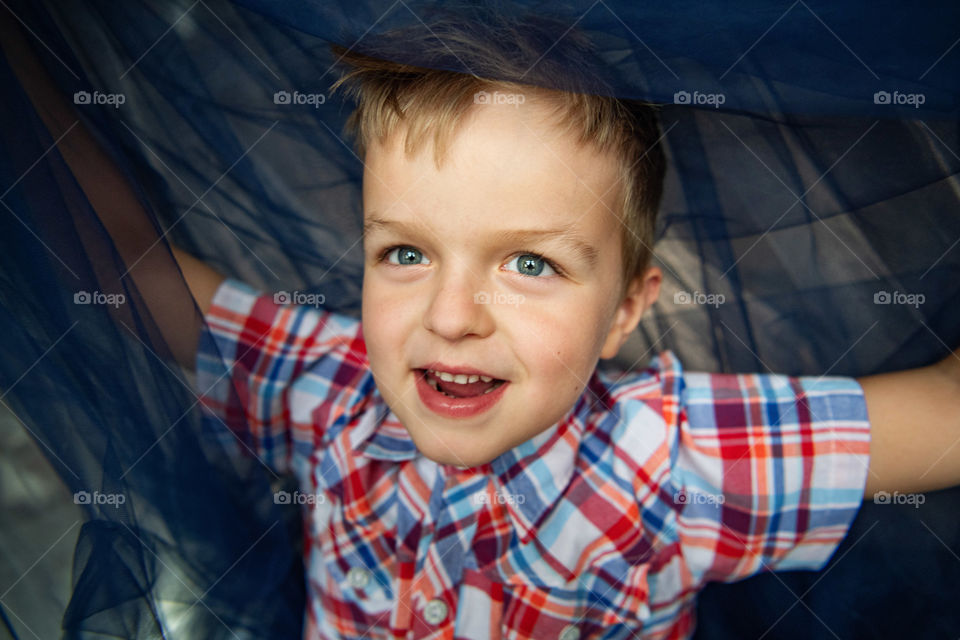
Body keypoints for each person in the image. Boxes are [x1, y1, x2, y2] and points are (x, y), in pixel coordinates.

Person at [4, 8, 959, 640]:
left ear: (627, 306)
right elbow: (124, 264)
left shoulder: (674, 464)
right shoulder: (328, 389)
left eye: (531, 264)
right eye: (406, 254)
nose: (450, 318)